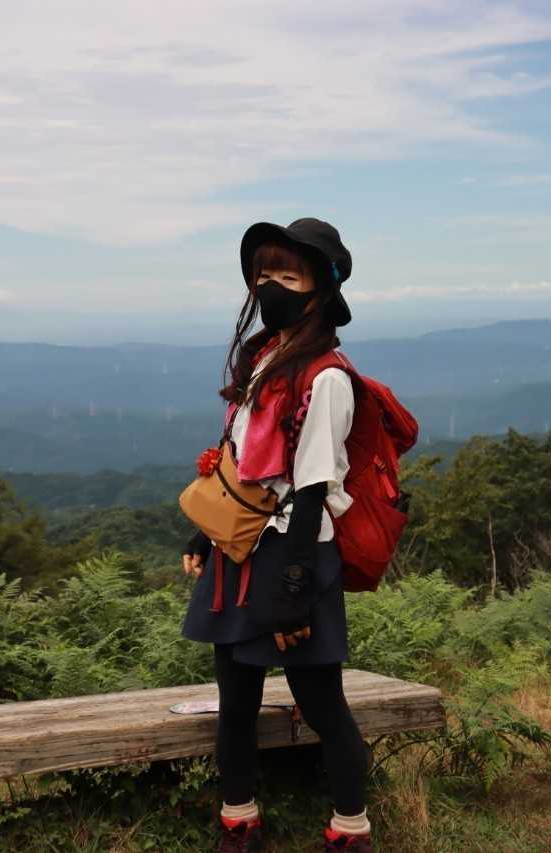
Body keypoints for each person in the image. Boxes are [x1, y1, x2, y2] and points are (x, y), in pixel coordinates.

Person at [180, 218, 373, 853]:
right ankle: (240, 820)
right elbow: (240, 464)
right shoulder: (265, 359)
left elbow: (312, 491)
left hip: (294, 552)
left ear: (321, 290)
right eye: (264, 274)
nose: (270, 287)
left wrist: (293, 591)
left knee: (321, 703)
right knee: (235, 698)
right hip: (240, 550)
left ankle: (351, 830)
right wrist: (207, 535)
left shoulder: (326, 378)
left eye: (288, 276)